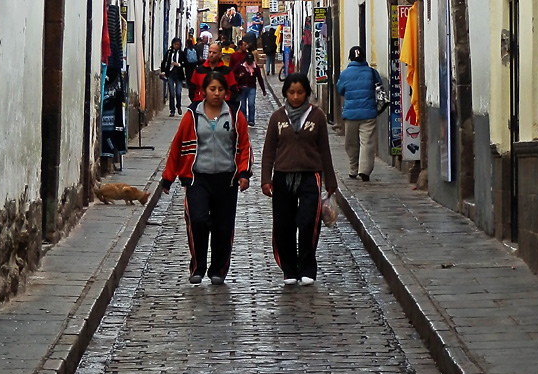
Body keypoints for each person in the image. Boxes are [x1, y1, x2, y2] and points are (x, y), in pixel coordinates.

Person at [162, 71, 253, 285]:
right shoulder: (192, 115)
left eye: (220, 89)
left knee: (223, 226)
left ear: (226, 91)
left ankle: (218, 269)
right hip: (197, 178)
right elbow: (177, 145)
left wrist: (243, 173)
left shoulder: (234, 114)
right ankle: (198, 266)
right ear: (204, 91)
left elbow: (244, 145)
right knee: (198, 220)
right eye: (212, 89)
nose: (217, 93)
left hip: (226, 180)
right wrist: (168, 177)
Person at [261, 73, 337, 286]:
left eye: (300, 92)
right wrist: (266, 179)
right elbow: (268, 150)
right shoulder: (277, 117)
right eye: (291, 92)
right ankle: (289, 269)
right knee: (283, 225)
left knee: (307, 222)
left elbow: (324, 149)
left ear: (307, 93)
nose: (295, 97)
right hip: (283, 176)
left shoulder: (317, 116)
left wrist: (330, 181)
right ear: (285, 92)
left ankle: (307, 268)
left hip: (309, 175)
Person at [336, 46, 382, 181]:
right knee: (367, 143)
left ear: (350, 58)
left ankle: (353, 169)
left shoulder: (345, 74)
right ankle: (365, 170)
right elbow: (379, 88)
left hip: (350, 114)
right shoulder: (372, 73)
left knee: (351, 143)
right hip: (369, 113)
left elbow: (340, 90)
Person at [190, 42, 238, 108]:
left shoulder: (227, 71)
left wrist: (226, 103)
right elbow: (193, 89)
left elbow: (233, 90)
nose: (211, 55)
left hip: (222, 108)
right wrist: (198, 103)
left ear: (220, 55)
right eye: (210, 52)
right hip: (202, 108)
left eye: (214, 53)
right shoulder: (199, 70)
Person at [233, 51, 266, 126]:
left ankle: (251, 120)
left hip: (252, 88)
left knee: (251, 104)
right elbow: (233, 73)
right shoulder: (240, 66)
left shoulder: (256, 68)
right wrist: (239, 76)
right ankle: (244, 120)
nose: (249, 63)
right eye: (248, 61)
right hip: (242, 88)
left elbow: (260, 78)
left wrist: (263, 90)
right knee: (243, 105)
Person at [160, 37, 186, 116]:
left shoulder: (181, 53)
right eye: (175, 44)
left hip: (179, 75)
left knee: (178, 92)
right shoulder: (169, 53)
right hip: (170, 74)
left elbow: (185, 63)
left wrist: (178, 64)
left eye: (178, 44)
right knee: (171, 93)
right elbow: (164, 62)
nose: (176, 46)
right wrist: (163, 71)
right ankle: (172, 110)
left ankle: (178, 106)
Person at [184, 37, 200, 101]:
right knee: (193, 75)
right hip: (194, 65)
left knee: (188, 76)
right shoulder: (195, 48)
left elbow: (184, 58)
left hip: (188, 66)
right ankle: (193, 84)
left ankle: (189, 85)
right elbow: (198, 56)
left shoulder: (186, 49)